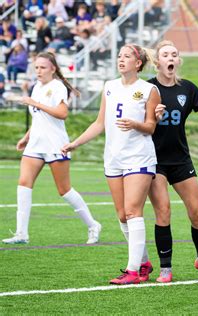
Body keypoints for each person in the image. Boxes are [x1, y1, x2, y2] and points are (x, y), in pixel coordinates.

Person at [62, 44, 162, 284]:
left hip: (139, 157)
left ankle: (132, 272)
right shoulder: (109, 87)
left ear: (138, 63)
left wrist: (135, 124)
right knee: (122, 215)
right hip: (114, 158)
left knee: (132, 211)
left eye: (126, 56)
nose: (121, 59)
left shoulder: (149, 89)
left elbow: (150, 126)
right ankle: (144, 263)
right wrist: (75, 143)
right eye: (119, 56)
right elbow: (99, 123)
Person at [147, 40, 198, 283]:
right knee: (163, 212)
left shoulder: (188, 89)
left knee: (197, 213)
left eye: (174, 54)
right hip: (154, 160)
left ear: (178, 60)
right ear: (157, 62)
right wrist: (152, 116)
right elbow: (138, 122)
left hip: (181, 160)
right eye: (165, 54)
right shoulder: (148, 89)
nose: (171, 57)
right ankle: (165, 269)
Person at [2, 51, 102, 245]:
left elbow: (62, 113)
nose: (39, 71)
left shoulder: (57, 87)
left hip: (55, 144)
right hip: (35, 145)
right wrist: (26, 137)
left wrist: (34, 103)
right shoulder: (37, 87)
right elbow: (39, 118)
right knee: (23, 184)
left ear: (53, 69)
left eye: (43, 67)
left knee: (64, 190)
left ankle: (93, 224)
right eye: (36, 67)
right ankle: (21, 234)